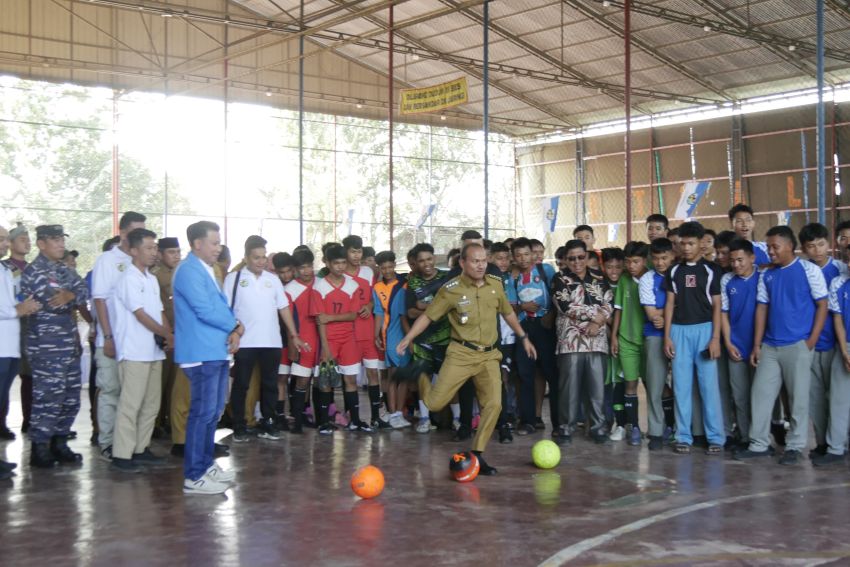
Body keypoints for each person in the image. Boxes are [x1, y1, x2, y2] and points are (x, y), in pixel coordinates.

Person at [397, 243, 536, 475]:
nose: (480, 265)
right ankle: (420, 373)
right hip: (461, 353)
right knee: (434, 403)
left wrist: (523, 337)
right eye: (475, 260)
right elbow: (429, 317)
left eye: (483, 260)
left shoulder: (495, 285)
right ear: (462, 263)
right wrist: (408, 338)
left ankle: (477, 456)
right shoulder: (450, 289)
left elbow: (508, 313)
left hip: (490, 355)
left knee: (494, 405)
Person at [736, 225, 828, 465]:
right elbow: (762, 308)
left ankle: (795, 446)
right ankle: (759, 444)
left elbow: (822, 305)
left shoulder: (809, 271)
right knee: (760, 395)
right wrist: (757, 345)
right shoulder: (767, 275)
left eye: (775, 247)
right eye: (768, 247)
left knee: (798, 399)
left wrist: (810, 341)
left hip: (798, 345)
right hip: (770, 346)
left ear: (790, 246)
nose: (771, 252)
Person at [173, 220, 239, 495]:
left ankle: (205, 464)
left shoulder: (207, 269)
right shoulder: (188, 271)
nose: (218, 247)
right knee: (201, 413)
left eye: (219, 242)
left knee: (213, 412)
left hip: (214, 350)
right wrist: (234, 326)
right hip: (200, 351)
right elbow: (204, 310)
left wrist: (232, 328)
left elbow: (218, 306)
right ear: (197, 244)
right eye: (214, 242)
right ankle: (194, 475)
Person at [225, 236, 306, 442]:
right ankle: (239, 425)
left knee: (270, 384)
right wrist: (233, 331)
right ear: (246, 257)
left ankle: (268, 422)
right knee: (241, 384)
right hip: (245, 342)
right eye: (256, 257)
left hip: (271, 342)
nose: (261, 261)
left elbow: (283, 307)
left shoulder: (273, 280)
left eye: (263, 257)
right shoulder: (233, 279)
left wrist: (294, 334)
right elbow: (225, 309)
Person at [21, 225, 89, 468]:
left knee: (70, 396)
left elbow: (84, 290)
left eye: (62, 239)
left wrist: (70, 296)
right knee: (48, 396)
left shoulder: (64, 269)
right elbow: (54, 303)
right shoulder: (34, 271)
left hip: (68, 344)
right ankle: (39, 448)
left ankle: (59, 442)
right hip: (46, 347)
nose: (61, 244)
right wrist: (71, 297)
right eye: (55, 240)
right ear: (41, 244)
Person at [111, 228, 172, 473]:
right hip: (134, 351)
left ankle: (140, 448)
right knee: (130, 405)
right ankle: (122, 455)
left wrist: (169, 335)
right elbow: (141, 315)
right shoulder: (128, 278)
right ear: (134, 250)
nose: (153, 252)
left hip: (153, 351)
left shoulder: (150, 278)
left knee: (150, 405)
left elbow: (158, 312)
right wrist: (165, 333)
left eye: (154, 247)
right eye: (148, 248)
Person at [662, 222, 726, 455]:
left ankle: (716, 438)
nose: (686, 248)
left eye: (691, 243)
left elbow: (718, 306)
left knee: (709, 387)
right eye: (682, 244)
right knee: (681, 387)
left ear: (701, 243)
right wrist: (667, 336)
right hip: (679, 331)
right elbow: (669, 304)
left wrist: (715, 338)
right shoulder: (674, 271)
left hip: (705, 330)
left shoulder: (711, 270)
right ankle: (683, 436)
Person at [91, 211, 147, 461]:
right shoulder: (107, 260)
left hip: (135, 342)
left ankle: (130, 445)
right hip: (112, 339)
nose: (140, 237)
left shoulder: (143, 262)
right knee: (111, 391)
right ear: (122, 232)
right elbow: (100, 299)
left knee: (133, 397)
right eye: (135, 232)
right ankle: (107, 443)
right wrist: (108, 336)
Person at [552, 239, 612, 445]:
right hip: (571, 340)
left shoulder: (599, 277)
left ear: (587, 256)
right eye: (572, 258)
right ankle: (566, 429)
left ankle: (597, 428)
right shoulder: (559, 278)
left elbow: (609, 302)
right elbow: (565, 307)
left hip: (597, 339)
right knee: (569, 388)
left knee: (596, 387)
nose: (577, 262)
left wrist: (597, 321)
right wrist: (596, 316)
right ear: (565, 260)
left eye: (581, 257)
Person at [312, 244, 373, 434]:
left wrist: (330, 317)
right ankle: (324, 422)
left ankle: (355, 420)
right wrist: (325, 347)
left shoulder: (352, 285)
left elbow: (353, 315)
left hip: (349, 339)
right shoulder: (319, 286)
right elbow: (319, 321)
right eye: (336, 263)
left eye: (342, 263)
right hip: (329, 340)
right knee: (326, 382)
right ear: (327, 263)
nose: (340, 267)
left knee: (351, 379)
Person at [798, 223, 845, 459]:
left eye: (821, 244)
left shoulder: (840, 270)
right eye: (810, 246)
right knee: (815, 398)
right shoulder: (801, 271)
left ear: (830, 243)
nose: (817, 250)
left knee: (839, 399)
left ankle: (841, 442)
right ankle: (822, 443)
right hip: (810, 344)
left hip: (837, 345)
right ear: (804, 250)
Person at [0, 225, 41, 469]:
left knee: (2, 398)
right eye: (2, 239)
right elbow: (9, 308)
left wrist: (24, 305)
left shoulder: (6, 270)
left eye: (6, 239)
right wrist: (15, 310)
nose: (5, 244)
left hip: (10, 346)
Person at [511, 237, 558, 436]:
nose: (523, 259)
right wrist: (523, 307)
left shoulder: (545, 271)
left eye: (527, 254)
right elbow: (510, 306)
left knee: (552, 374)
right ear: (513, 257)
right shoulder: (512, 278)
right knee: (525, 375)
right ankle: (528, 421)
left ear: (533, 254)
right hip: (523, 328)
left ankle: (559, 423)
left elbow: (558, 296)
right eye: (518, 255)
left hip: (545, 326)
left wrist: (551, 315)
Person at [405, 243, 451, 434]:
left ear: (434, 258)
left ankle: (455, 418)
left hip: (447, 338)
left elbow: (450, 305)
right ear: (416, 263)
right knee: (423, 379)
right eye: (421, 260)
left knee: (447, 380)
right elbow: (411, 311)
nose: (426, 264)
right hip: (422, 340)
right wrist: (432, 307)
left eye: (429, 259)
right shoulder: (412, 282)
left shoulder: (448, 278)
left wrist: (423, 306)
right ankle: (424, 418)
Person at [342, 235, 386, 428]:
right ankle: (355, 419)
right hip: (348, 334)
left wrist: (368, 305)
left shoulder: (368, 272)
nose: (356, 255)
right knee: (350, 377)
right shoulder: (339, 274)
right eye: (352, 251)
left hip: (367, 331)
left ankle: (376, 417)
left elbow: (373, 298)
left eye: (359, 251)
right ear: (345, 252)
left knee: (373, 374)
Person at [720, 238, 759, 451]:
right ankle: (744, 436)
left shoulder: (763, 278)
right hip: (735, 347)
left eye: (740, 260)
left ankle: (760, 437)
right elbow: (723, 315)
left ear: (752, 258)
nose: (736, 264)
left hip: (759, 348)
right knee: (740, 396)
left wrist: (759, 345)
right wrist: (728, 342)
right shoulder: (727, 280)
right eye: (732, 260)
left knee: (759, 395)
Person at [639, 237, 676, 450]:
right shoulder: (647, 279)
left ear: (672, 255)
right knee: (655, 385)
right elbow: (652, 314)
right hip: (654, 334)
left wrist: (667, 315)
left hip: (679, 332)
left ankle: (683, 429)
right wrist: (672, 310)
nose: (660, 263)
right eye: (656, 259)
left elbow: (691, 305)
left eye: (664, 258)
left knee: (682, 385)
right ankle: (655, 431)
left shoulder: (681, 273)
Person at [611, 241, 649, 446]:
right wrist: (614, 336)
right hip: (627, 339)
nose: (631, 266)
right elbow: (618, 309)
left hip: (649, 340)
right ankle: (634, 427)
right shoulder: (624, 280)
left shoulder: (652, 277)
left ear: (645, 261)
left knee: (656, 385)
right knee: (630, 383)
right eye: (628, 262)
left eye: (636, 261)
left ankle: (663, 426)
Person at [816, 249, 850, 466]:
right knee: (839, 399)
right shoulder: (839, 283)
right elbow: (837, 319)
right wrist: (845, 352)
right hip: (845, 348)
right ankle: (836, 448)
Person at [373, 251, 411, 429]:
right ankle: (394, 412)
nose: (387, 270)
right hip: (390, 335)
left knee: (404, 376)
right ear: (378, 268)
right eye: (383, 267)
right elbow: (379, 313)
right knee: (394, 375)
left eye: (390, 266)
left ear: (394, 265)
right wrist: (376, 335)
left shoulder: (405, 284)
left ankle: (398, 412)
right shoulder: (378, 288)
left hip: (407, 333)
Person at [284, 249, 321, 433]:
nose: (307, 271)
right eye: (302, 268)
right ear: (296, 269)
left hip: (322, 341)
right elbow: (288, 319)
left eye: (309, 266)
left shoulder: (322, 284)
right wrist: (293, 343)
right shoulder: (290, 289)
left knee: (317, 380)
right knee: (302, 381)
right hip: (303, 341)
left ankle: (309, 416)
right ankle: (297, 420)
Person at [5, 223, 32, 435]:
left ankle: (31, 418)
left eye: (28, 238)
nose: (27, 242)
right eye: (22, 239)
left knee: (31, 374)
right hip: (11, 325)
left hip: (33, 325)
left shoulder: (33, 268)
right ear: (11, 243)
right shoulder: (6, 268)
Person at [154, 237, 180, 439]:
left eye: (178, 251)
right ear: (160, 254)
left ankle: (171, 422)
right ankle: (155, 424)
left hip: (182, 334)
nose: (176, 256)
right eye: (171, 252)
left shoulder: (182, 273)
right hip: (162, 335)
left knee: (175, 382)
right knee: (159, 382)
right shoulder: (154, 275)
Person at [601, 247, 625, 435]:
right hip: (605, 340)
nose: (614, 271)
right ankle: (607, 420)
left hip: (625, 340)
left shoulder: (626, 283)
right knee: (606, 382)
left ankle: (624, 422)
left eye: (618, 267)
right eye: (610, 267)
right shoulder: (600, 285)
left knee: (623, 381)